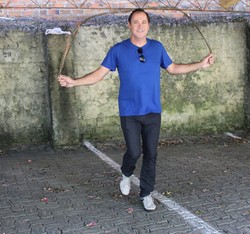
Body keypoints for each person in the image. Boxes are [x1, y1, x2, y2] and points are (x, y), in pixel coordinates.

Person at [58, 8, 215, 211]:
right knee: (134, 151)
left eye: (143, 22)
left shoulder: (157, 48)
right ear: (129, 25)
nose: (140, 25)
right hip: (129, 112)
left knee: (151, 154)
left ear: (148, 25)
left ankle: (146, 193)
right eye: (136, 22)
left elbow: (173, 68)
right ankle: (126, 173)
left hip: (152, 112)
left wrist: (200, 65)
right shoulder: (118, 50)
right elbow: (99, 74)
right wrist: (74, 82)